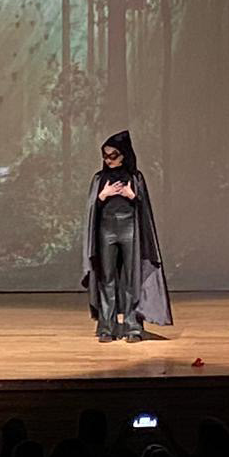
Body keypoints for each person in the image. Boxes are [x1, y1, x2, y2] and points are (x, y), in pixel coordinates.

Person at [80, 131, 173, 342]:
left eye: (113, 155)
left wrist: (133, 196)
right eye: (105, 156)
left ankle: (133, 326)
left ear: (123, 155)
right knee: (107, 278)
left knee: (132, 278)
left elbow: (144, 209)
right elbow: (92, 208)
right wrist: (102, 196)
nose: (108, 160)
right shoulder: (99, 178)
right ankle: (107, 326)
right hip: (106, 230)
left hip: (129, 229)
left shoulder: (135, 177)